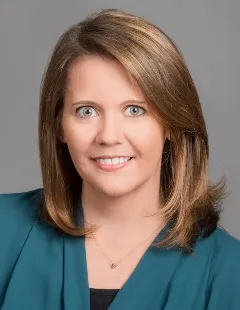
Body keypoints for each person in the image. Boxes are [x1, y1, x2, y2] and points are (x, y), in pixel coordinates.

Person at [0, 8, 239, 310]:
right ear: (59, 125)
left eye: (135, 110)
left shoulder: (230, 272)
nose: (109, 136)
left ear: (172, 125)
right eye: (87, 111)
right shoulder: (4, 230)